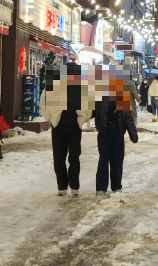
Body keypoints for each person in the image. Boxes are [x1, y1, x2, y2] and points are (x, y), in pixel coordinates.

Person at [40, 62, 90, 197]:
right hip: (58, 126)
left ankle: (74, 186)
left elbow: (89, 105)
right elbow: (43, 103)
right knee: (59, 157)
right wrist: (50, 118)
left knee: (74, 157)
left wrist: (83, 118)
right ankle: (62, 186)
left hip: (74, 125)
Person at [93, 103, 138, 197]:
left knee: (117, 160)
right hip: (104, 134)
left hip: (118, 133)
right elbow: (92, 112)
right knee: (104, 160)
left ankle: (116, 186)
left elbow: (128, 117)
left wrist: (133, 134)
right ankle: (101, 188)